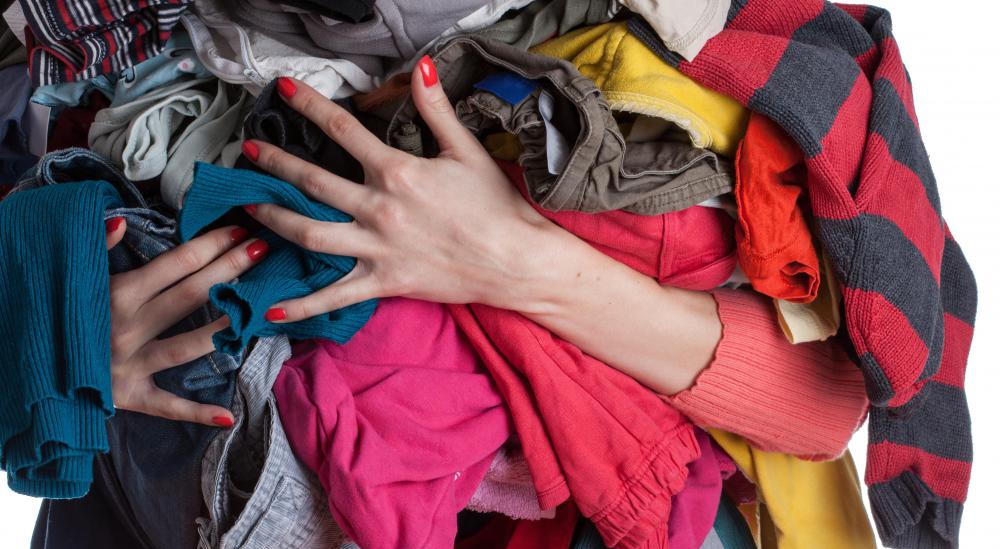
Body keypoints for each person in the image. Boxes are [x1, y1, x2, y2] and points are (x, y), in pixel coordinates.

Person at [105, 56, 867, 457]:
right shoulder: (84, 60)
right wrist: (45, 350)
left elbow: (829, 402)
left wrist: (516, 261)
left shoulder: (732, 59)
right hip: (238, 509)